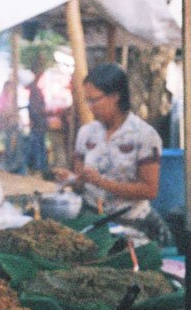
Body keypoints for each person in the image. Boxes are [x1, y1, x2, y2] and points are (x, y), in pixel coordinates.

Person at [61, 63, 170, 243]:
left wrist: (102, 182)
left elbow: (149, 190)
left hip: (132, 226)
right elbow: (82, 182)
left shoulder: (144, 135)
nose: (89, 106)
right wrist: (72, 179)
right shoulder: (86, 133)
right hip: (92, 222)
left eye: (94, 100)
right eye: (86, 100)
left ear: (115, 96)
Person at [0, 79, 25, 173]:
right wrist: (10, 114)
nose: (9, 89)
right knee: (8, 146)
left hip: (12, 125)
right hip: (5, 126)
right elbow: (1, 112)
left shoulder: (11, 98)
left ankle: (12, 165)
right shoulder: (1, 98)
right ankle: (7, 165)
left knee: (14, 146)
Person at [27, 66, 49, 173]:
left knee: (38, 144)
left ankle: (39, 166)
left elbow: (35, 109)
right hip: (38, 122)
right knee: (39, 144)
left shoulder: (35, 90)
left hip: (38, 122)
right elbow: (36, 109)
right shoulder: (36, 90)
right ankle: (40, 165)